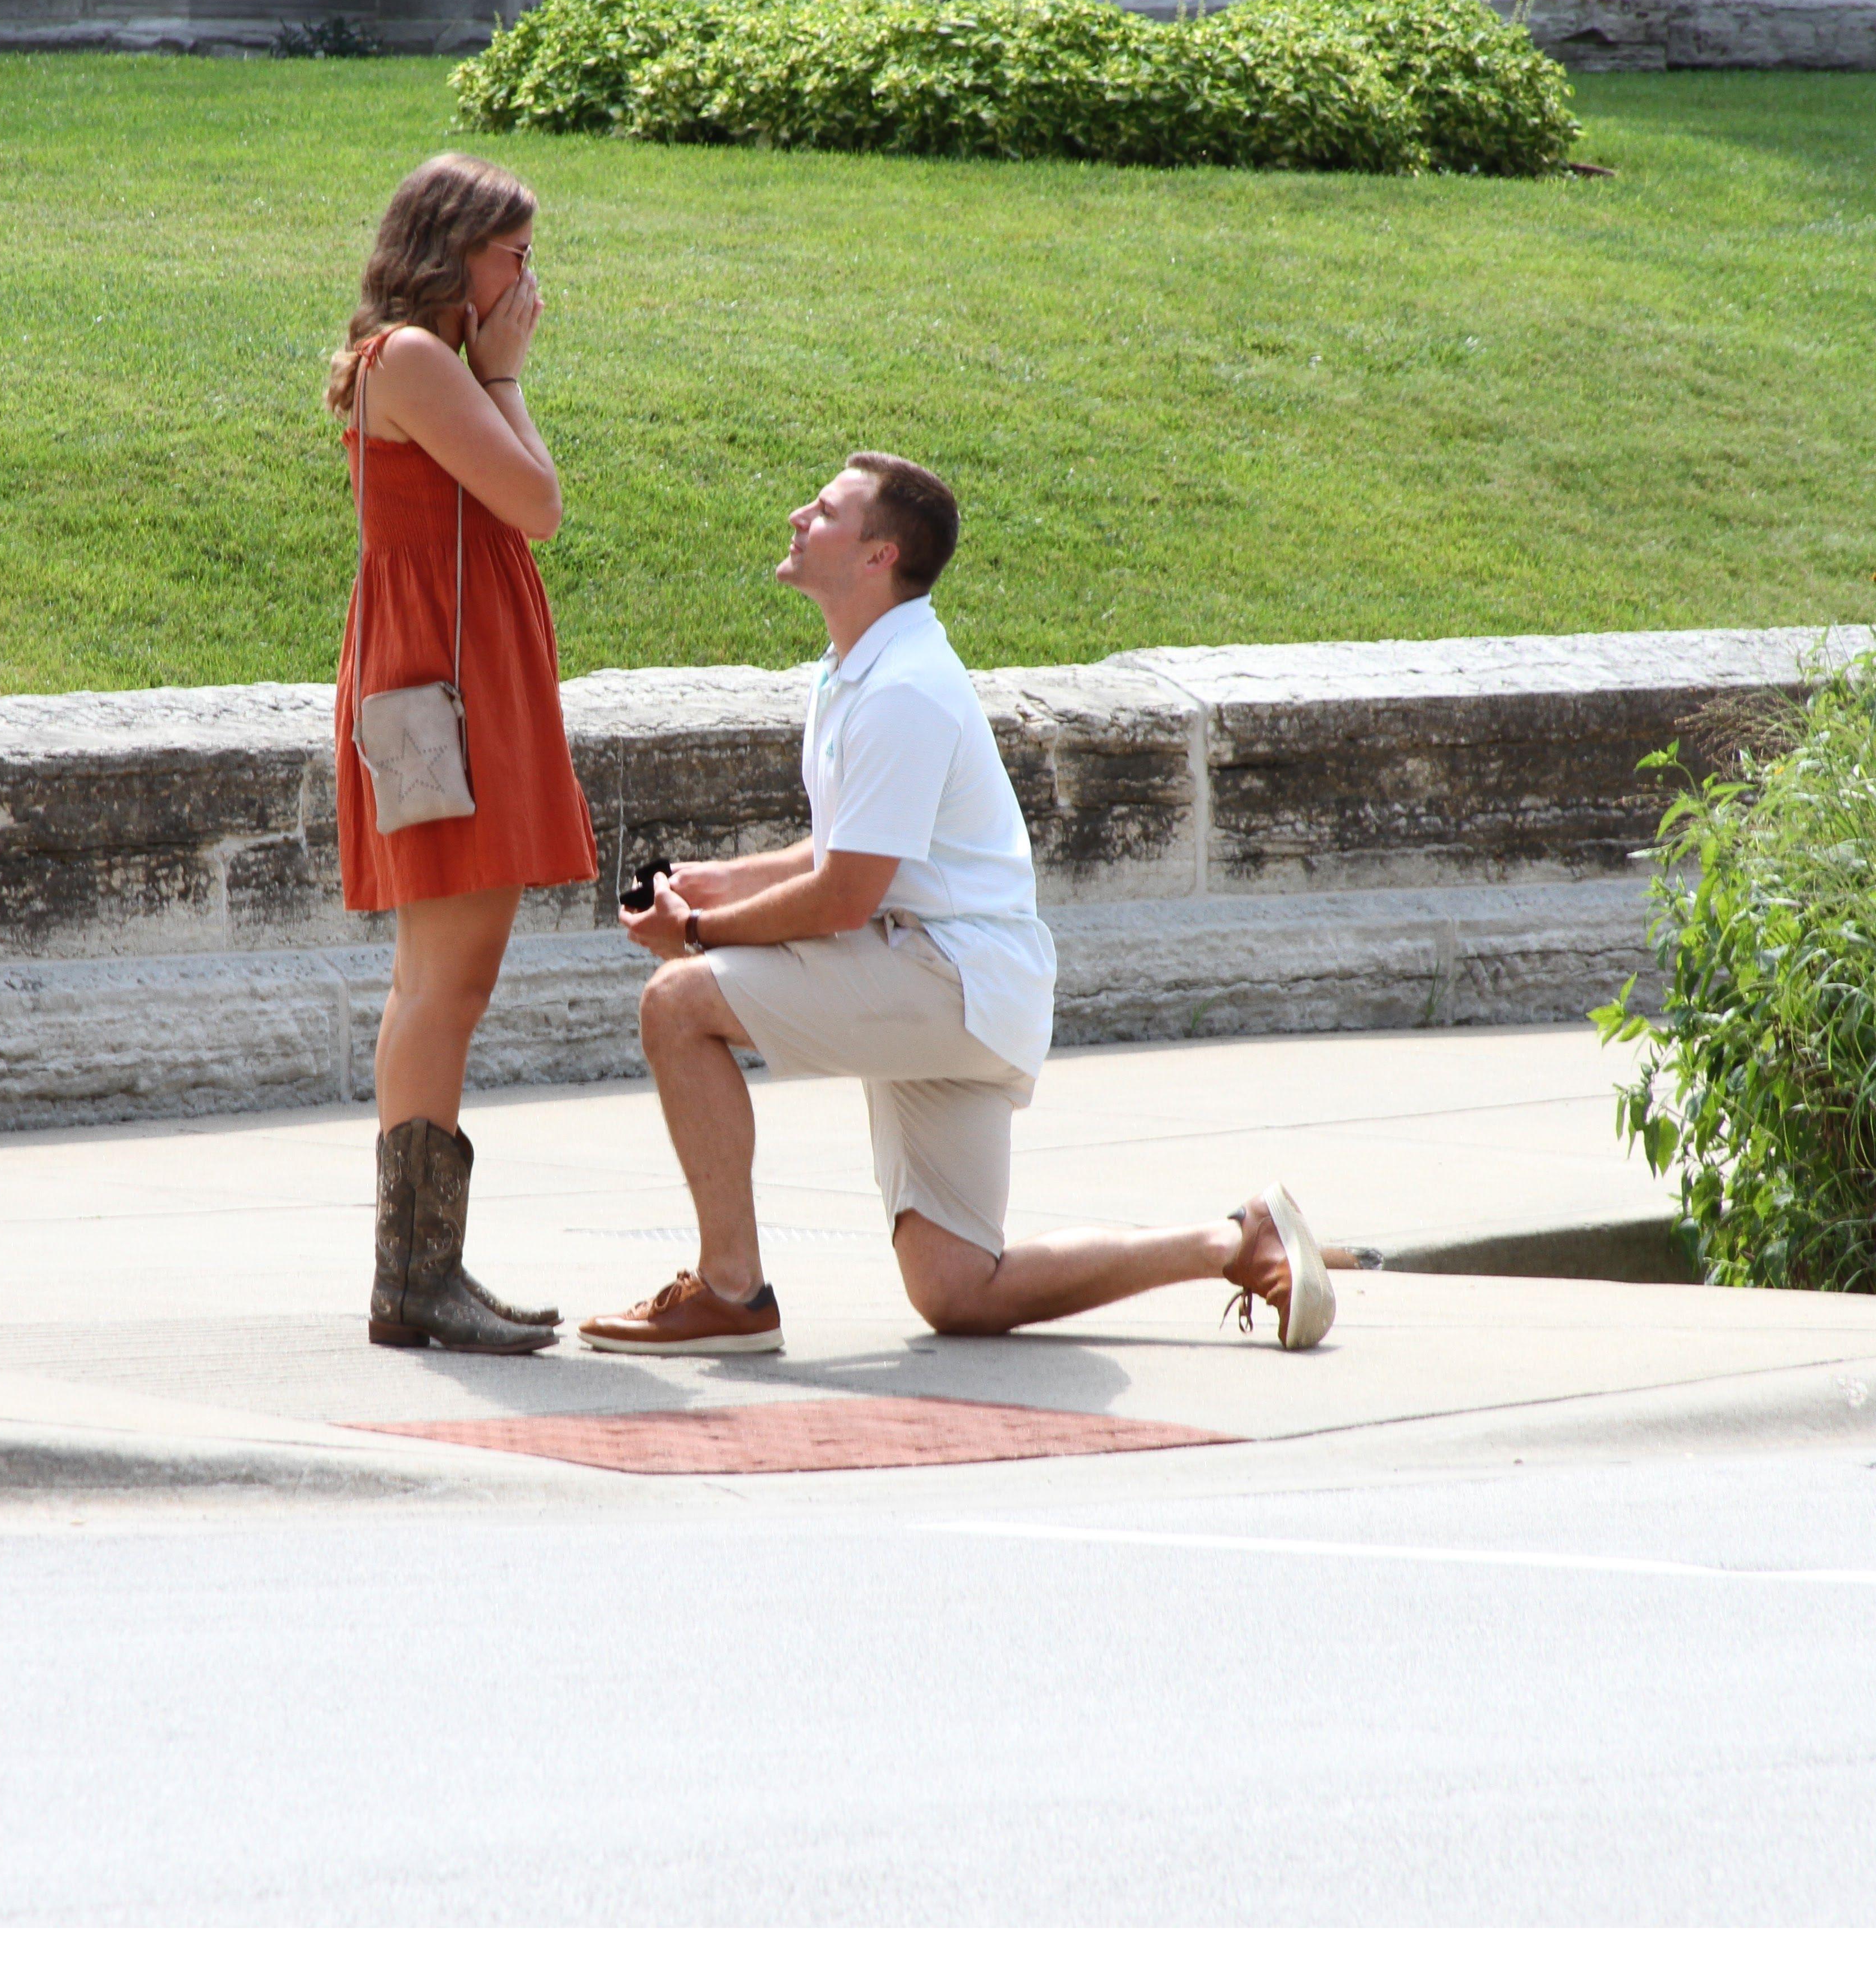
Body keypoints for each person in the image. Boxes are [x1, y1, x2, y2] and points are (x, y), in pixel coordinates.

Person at [582, 452, 1338, 1356]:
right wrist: (721, 880)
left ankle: (731, 1293)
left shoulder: (901, 691)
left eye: (823, 512)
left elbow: (842, 896)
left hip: (948, 982)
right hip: (956, 987)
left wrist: (698, 932)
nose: (796, 517)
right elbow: (848, 851)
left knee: (678, 1004)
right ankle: (1233, 1239)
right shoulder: (857, 668)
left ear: (877, 558)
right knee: (958, 1290)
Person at [331, 154, 598, 1354]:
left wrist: (496, 372)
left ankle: (422, 1273)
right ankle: (414, 1279)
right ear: (454, 250)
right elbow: (535, 501)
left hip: (455, 666)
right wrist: (506, 374)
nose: (529, 278)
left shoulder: (420, 360)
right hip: (447, 683)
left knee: (443, 979)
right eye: (514, 253)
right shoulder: (423, 361)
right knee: (445, 981)